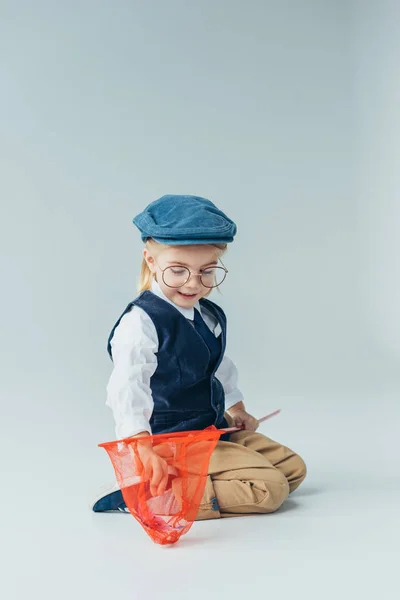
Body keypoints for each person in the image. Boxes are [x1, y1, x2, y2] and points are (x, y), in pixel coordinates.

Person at [93, 194, 306, 519]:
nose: (193, 283)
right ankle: (150, 496)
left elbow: (217, 367)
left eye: (206, 271)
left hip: (210, 428)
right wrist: (141, 446)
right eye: (178, 270)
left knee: (292, 470)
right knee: (271, 489)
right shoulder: (141, 322)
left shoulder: (208, 315)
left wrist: (237, 409)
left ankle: (206, 477)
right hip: (172, 440)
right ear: (151, 260)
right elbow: (127, 386)